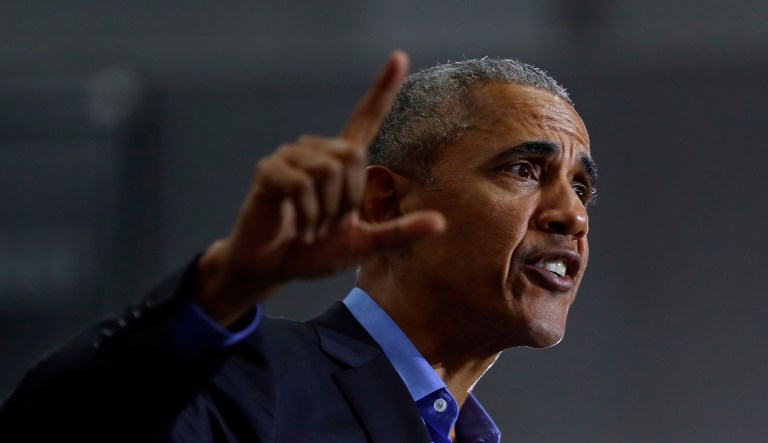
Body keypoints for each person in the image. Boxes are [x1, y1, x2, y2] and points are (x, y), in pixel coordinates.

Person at [0, 50, 597, 442]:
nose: (571, 213)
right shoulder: (255, 380)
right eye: (523, 170)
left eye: (581, 186)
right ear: (385, 202)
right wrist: (227, 284)